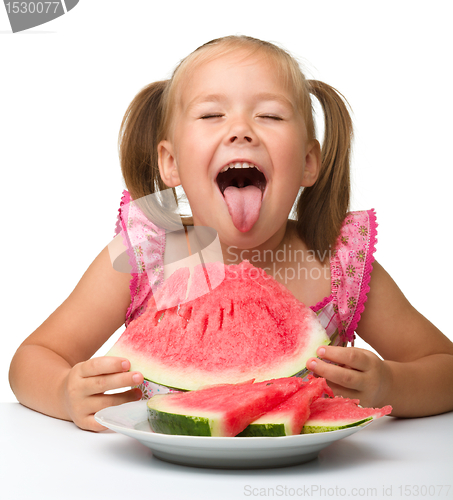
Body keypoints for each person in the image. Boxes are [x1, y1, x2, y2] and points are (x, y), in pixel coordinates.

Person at [9, 35, 453, 431]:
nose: (240, 130)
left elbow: (445, 368)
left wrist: (389, 384)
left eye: (271, 116)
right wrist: (64, 392)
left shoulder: (338, 266)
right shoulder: (144, 257)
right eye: (212, 114)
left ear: (307, 163)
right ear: (171, 163)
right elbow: (32, 358)